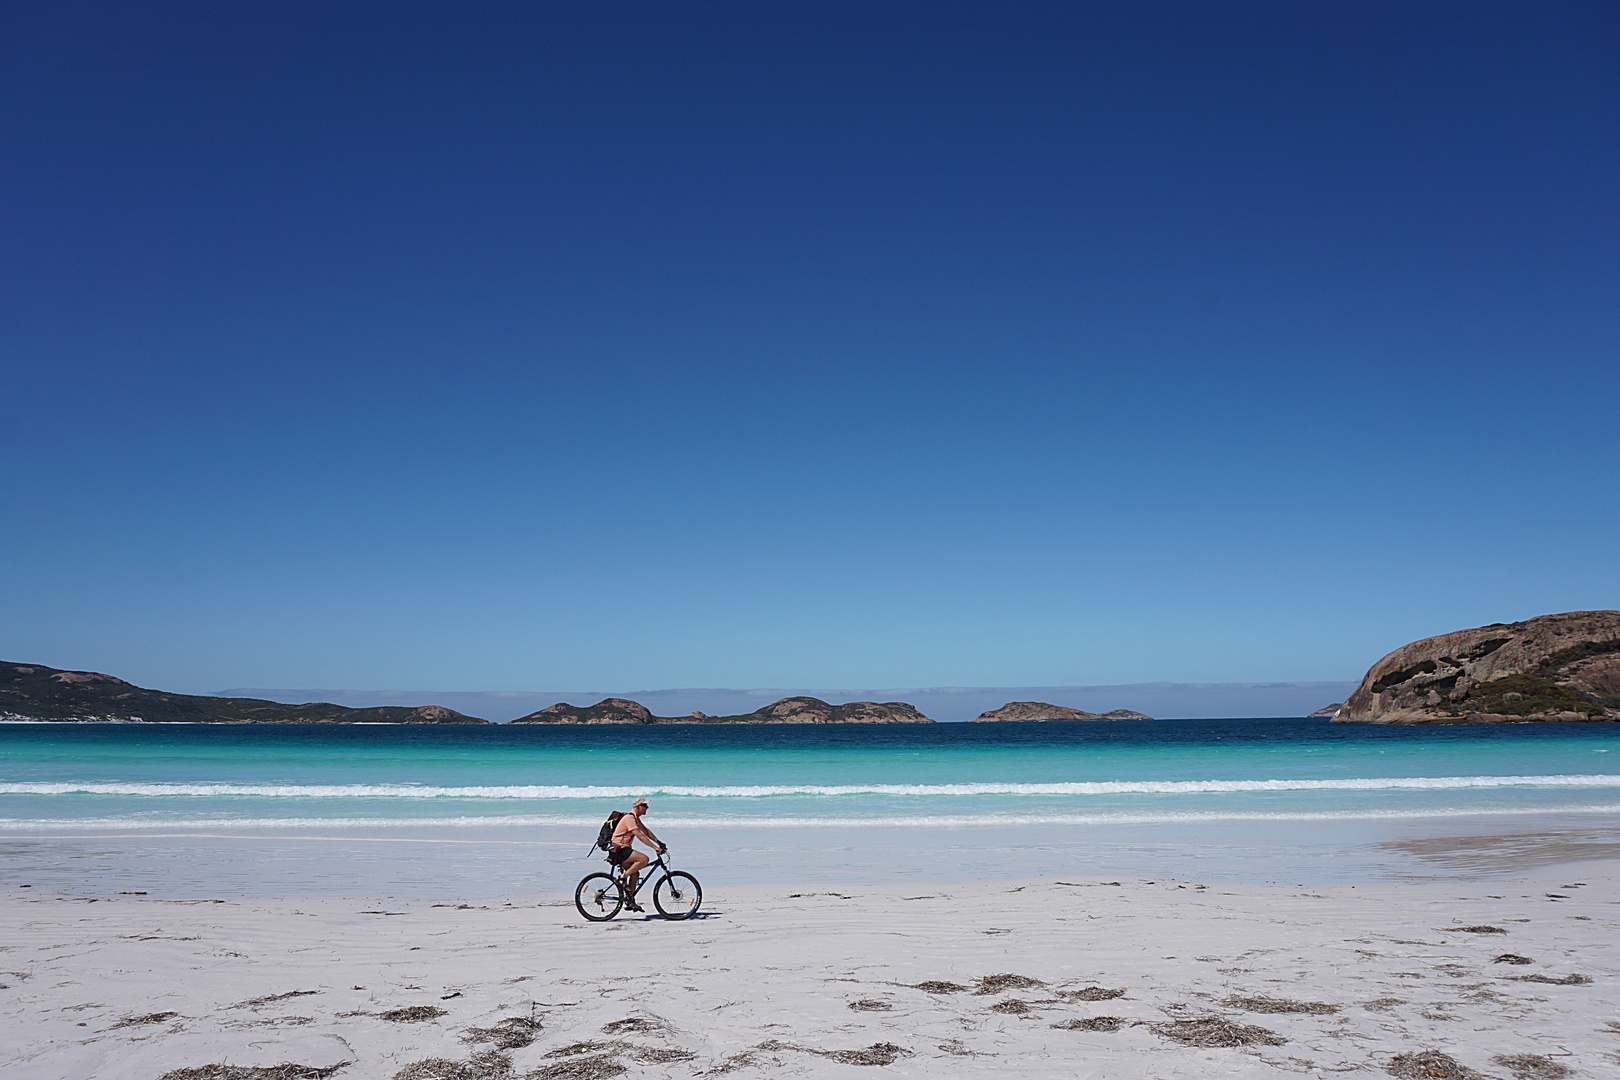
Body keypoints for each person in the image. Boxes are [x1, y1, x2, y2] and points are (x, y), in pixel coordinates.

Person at [608, 797, 664, 912]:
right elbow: (639, 835)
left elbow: (646, 831)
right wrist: (654, 848)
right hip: (619, 850)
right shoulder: (629, 818)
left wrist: (658, 842)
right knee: (644, 859)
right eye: (645, 806)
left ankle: (630, 901)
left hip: (623, 849)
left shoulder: (635, 818)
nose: (647, 808)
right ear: (638, 807)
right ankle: (622, 878)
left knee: (635, 874)